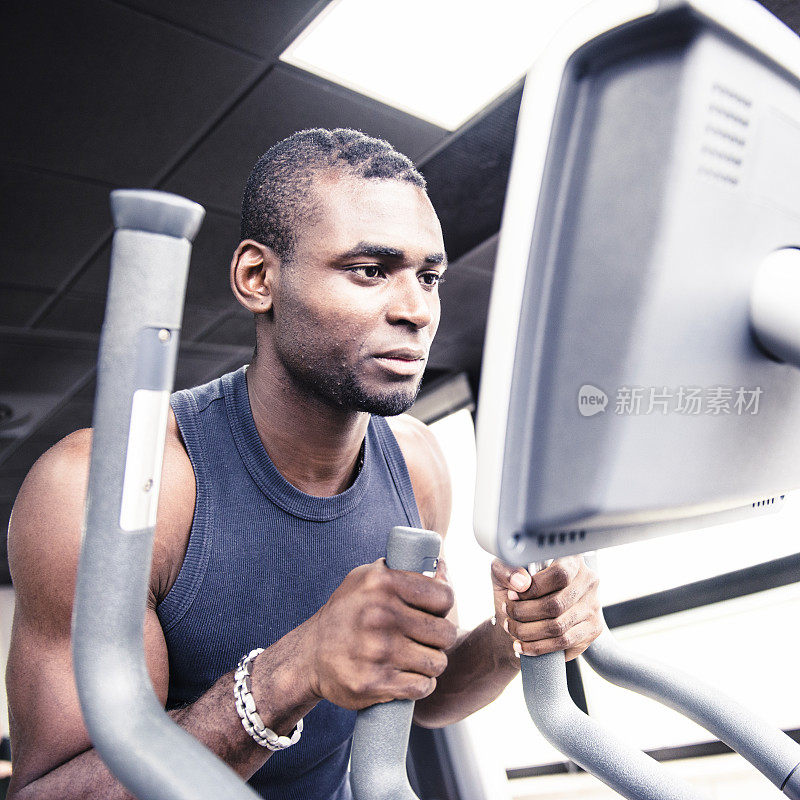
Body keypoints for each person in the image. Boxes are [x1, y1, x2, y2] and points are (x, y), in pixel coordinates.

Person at [5, 128, 602, 799]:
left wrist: (512, 638)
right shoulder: (107, 485)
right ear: (259, 278)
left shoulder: (418, 464)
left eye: (427, 276)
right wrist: (290, 673)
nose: (415, 310)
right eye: (369, 271)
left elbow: (421, 697)